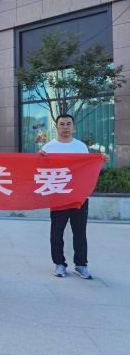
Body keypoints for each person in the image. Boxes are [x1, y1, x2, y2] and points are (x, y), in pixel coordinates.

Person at [40, 113, 109, 280]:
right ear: (56, 127)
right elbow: (39, 169)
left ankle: (81, 265)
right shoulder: (48, 148)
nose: (65, 127)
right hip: (58, 196)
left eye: (68, 124)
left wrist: (101, 160)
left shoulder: (81, 146)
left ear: (73, 127)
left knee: (80, 232)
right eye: (62, 124)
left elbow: (88, 169)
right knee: (56, 232)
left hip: (79, 196)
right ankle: (59, 263)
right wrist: (38, 158)